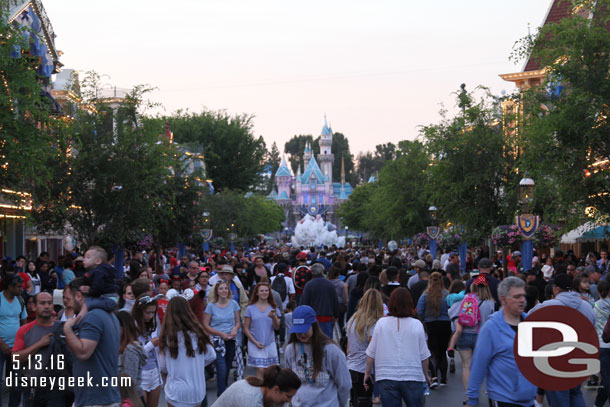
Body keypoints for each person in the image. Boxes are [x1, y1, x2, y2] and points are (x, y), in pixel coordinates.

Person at [466, 277, 536, 407]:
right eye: (517, 297)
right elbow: (478, 365)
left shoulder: (531, 324)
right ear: (504, 299)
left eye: (523, 296)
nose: (522, 300)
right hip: (504, 399)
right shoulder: (491, 328)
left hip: (529, 399)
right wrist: (472, 398)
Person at [528, 273, 595, 407]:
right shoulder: (587, 306)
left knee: (559, 398)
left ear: (556, 289)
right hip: (580, 359)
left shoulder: (546, 306)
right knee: (576, 393)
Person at [364, 288, 431, 407]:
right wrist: (425, 374)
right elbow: (424, 355)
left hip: (386, 375)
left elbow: (371, 352)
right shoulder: (417, 325)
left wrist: (367, 372)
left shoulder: (381, 323)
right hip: (413, 375)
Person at [63, 277, 121, 407]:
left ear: (78, 296)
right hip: (100, 398)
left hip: (96, 400)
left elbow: (83, 352)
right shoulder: (108, 315)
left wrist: (67, 329)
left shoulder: (92, 317)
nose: (68, 305)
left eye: (69, 299)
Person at [284, 305, 351, 407]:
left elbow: (344, 384)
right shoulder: (290, 349)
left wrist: (341, 404)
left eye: (304, 329)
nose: (301, 334)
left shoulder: (331, 350)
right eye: (298, 330)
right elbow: (288, 382)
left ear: (314, 326)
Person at [158, 296, 216, 407]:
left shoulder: (167, 337)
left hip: (176, 392)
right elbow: (211, 356)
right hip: (197, 391)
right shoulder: (199, 334)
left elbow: (162, 366)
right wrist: (196, 365)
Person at [12, 292, 65, 407]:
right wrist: (39, 344)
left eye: (50, 303)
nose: (47, 306)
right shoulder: (24, 330)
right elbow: (15, 359)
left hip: (59, 389)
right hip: (33, 389)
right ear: (34, 306)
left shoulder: (63, 329)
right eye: (42, 303)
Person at [447, 275, 495, 394]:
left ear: (473, 285)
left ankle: (469, 396)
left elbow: (451, 311)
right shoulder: (490, 302)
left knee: (466, 366)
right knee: (482, 366)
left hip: (464, 335)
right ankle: (483, 390)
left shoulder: (465, 298)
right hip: (482, 337)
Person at [346, 289, 384, 407]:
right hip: (365, 369)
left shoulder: (353, 320)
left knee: (354, 401)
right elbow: (373, 350)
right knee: (364, 402)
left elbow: (348, 348)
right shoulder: (373, 323)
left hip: (351, 366)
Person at [203, 281, 241, 396]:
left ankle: (223, 392)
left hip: (231, 339)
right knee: (222, 368)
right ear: (217, 291)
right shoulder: (211, 306)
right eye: (221, 289)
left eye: (225, 288)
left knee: (228, 367)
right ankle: (221, 395)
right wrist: (220, 334)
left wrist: (235, 329)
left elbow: (238, 322)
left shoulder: (234, 304)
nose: (224, 291)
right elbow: (205, 325)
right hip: (217, 341)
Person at [416, 271, 450, 388]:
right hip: (445, 324)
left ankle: (434, 376)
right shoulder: (447, 294)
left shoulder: (425, 295)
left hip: (430, 324)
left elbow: (419, 311)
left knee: (432, 351)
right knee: (442, 351)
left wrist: (423, 320)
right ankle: (444, 378)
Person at [211, 365, 301, 407]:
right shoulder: (251, 398)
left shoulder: (267, 392)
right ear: (276, 389)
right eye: (288, 396)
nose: (290, 400)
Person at [0, 273, 27, 407]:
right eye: (18, 286)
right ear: (9, 286)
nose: (20, 289)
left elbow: (23, 321)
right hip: (1, 347)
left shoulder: (20, 300)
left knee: (16, 382)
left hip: (16, 349)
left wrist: (22, 342)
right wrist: (2, 343)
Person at [244, 282, 281, 376]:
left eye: (266, 290)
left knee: (271, 371)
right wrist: (255, 342)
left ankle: (268, 390)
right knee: (260, 370)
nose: (264, 292)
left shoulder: (273, 308)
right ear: (257, 293)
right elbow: (246, 328)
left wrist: (273, 317)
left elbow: (277, 327)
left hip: (269, 343)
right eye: (262, 291)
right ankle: (259, 390)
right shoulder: (250, 308)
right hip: (255, 343)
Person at [132, 294, 163, 407]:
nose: (151, 315)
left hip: (154, 372)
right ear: (140, 311)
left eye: (153, 312)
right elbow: (133, 355)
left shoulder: (152, 325)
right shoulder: (132, 326)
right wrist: (151, 345)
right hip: (141, 374)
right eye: (148, 312)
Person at [299, 263, 339, 339]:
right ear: (322, 271)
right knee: (327, 340)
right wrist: (336, 314)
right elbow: (335, 301)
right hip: (327, 317)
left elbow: (304, 302)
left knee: (314, 339)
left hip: (312, 318)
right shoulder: (330, 284)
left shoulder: (309, 285)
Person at [116, 311, 147, 397]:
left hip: (130, 398)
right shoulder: (119, 346)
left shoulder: (130, 350)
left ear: (123, 328)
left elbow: (129, 381)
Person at [593, 280, 610, 407]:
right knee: (606, 379)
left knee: (606, 378)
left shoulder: (595, 306)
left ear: (598, 291)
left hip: (601, 345)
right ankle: (598, 403)